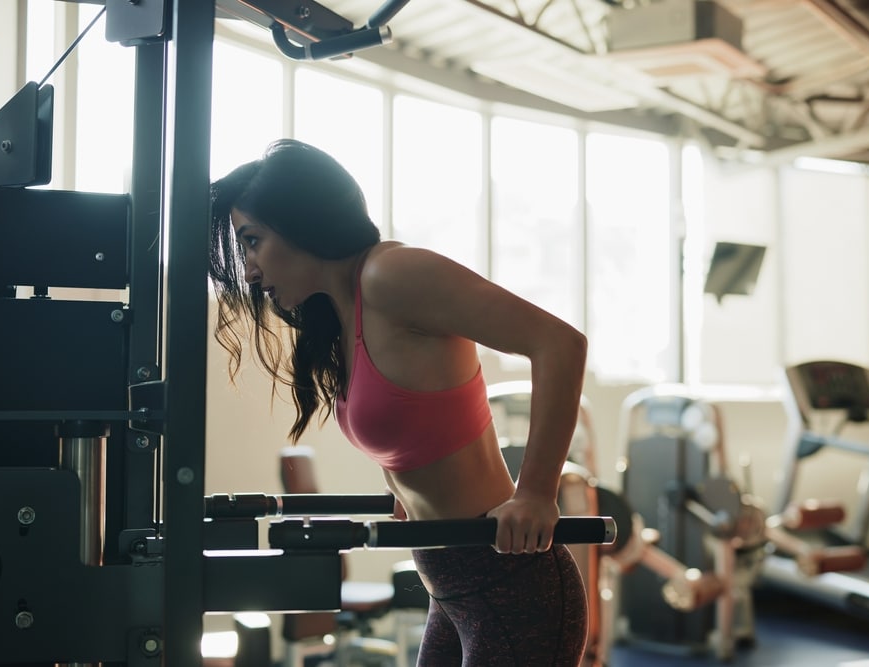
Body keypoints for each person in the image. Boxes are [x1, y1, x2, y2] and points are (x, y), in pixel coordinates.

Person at [209, 138, 590, 666]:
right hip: (451, 587)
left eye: (253, 241)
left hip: (512, 581)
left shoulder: (393, 275)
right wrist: (408, 492)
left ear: (299, 221)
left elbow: (559, 344)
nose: (249, 269)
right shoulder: (344, 315)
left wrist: (536, 495)